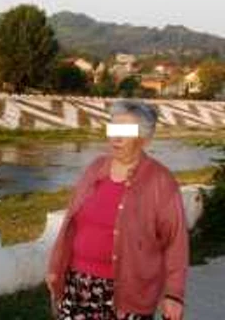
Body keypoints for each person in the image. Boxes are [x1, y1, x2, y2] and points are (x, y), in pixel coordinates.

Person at [46, 100, 187, 320]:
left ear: (145, 139)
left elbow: (176, 242)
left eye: (126, 131)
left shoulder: (161, 182)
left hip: (128, 294)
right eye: (113, 129)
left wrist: (174, 295)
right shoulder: (95, 168)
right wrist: (56, 266)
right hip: (78, 286)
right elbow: (71, 223)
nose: (116, 138)